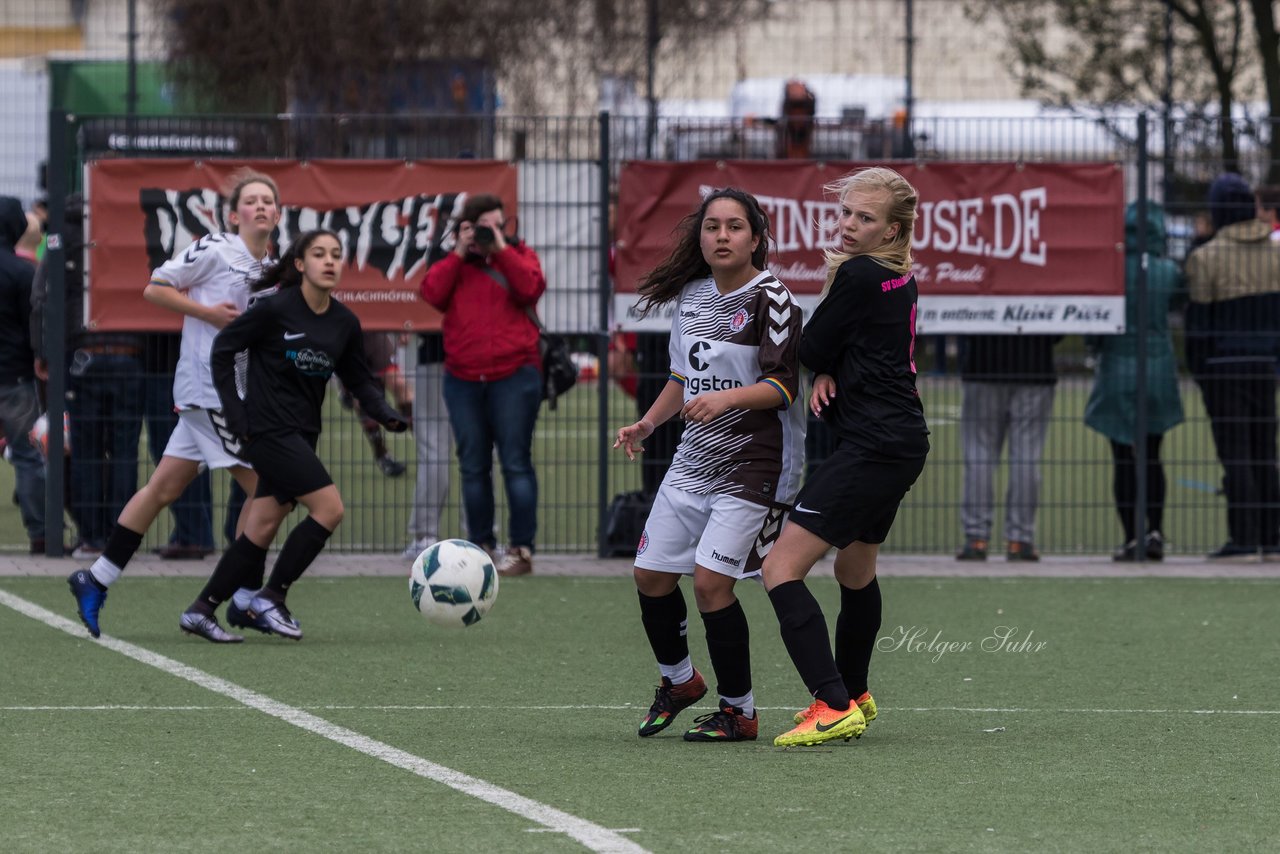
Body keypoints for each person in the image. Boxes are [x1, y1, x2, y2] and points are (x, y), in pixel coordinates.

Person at [613, 187, 805, 743]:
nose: (722, 236)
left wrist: (726, 399)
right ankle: (679, 682)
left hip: (753, 462)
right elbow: (681, 379)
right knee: (649, 575)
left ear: (756, 238)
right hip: (692, 458)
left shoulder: (773, 298)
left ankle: (739, 710)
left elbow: (782, 387)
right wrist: (648, 424)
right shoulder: (693, 296)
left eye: (735, 227)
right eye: (712, 226)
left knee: (711, 584)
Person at [66, 171, 278, 640]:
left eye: (268, 201)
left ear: (279, 215)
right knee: (270, 489)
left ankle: (95, 577)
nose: (261, 206)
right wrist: (206, 313)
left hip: (232, 395)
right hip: (208, 389)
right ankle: (241, 597)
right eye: (252, 201)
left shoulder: (273, 267)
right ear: (233, 213)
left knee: (162, 489)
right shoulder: (215, 248)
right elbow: (155, 287)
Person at [761, 166, 929, 748]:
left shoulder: (857, 274)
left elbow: (810, 346)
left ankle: (832, 703)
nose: (850, 224)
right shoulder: (897, 277)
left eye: (865, 217)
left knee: (779, 568)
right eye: (847, 213)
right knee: (855, 570)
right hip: (901, 441)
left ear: (892, 230)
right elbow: (843, 348)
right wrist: (831, 367)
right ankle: (855, 691)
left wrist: (822, 363)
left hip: (873, 445)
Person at [185, 229, 407, 641]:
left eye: (336, 255)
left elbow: (359, 381)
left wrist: (387, 414)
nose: (329, 261)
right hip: (267, 431)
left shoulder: (344, 322)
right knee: (330, 508)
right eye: (319, 254)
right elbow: (224, 351)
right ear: (300, 265)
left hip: (303, 433)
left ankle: (202, 610)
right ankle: (272, 596)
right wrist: (237, 415)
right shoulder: (274, 310)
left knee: (263, 525)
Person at [421, 193, 546, 576]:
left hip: (515, 375)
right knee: (473, 465)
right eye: (482, 226)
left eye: (497, 224)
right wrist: (460, 251)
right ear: (465, 228)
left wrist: (501, 249)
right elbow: (431, 294)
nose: (490, 232)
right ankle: (481, 546)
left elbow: (530, 289)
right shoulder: (454, 263)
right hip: (463, 379)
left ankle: (521, 550)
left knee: (515, 462)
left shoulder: (519, 255)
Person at [33, 193, 146, 561]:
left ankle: (92, 536)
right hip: (130, 350)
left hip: (81, 353)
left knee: (86, 451)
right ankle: (121, 536)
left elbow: (45, 299)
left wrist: (46, 352)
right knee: (125, 451)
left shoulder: (62, 235)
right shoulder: (135, 226)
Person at [1185, 173, 1280, 561]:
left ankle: (1242, 539)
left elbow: (1197, 327)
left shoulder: (1205, 258)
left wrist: (1200, 373)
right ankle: (1272, 540)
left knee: (1234, 453)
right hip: (1265, 365)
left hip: (1223, 367)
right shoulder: (1276, 253)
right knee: (1265, 451)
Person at [1084, 201, 1184, 561]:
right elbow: (1178, 304)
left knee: (1122, 457)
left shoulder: (1110, 270)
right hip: (1157, 366)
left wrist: (1094, 348)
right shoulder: (1168, 270)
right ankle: (1155, 530)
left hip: (1116, 366)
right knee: (1153, 455)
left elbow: (1095, 324)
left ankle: (1131, 537)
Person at [954, 334, 1060, 562]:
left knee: (978, 455)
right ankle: (1019, 540)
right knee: (1026, 457)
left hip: (983, 365)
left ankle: (976, 539)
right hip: (1035, 367)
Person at [0, 196, 47, 553]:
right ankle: (40, 534)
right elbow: (35, 323)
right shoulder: (23, 271)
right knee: (28, 457)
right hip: (16, 378)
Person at [402, 330, 453, 559]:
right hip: (481, 356)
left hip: (437, 351)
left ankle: (425, 536)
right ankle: (482, 537)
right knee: (481, 452)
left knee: (433, 449)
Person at [338, 331, 411, 478]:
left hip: (375, 329)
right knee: (362, 395)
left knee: (399, 383)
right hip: (345, 332)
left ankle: (426, 449)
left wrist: (403, 325)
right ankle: (382, 455)